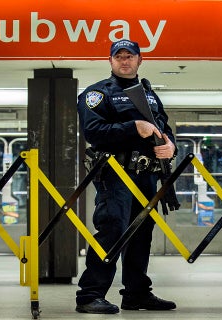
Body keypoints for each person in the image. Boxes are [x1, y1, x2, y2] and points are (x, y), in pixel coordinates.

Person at [75, 39, 177, 314]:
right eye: (118, 56)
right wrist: (133, 127)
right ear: (110, 61)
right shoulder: (97, 94)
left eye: (129, 56)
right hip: (115, 174)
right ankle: (90, 294)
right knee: (112, 230)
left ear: (139, 60)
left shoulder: (149, 94)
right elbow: (93, 132)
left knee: (142, 234)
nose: (124, 60)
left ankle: (136, 293)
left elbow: (163, 128)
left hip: (147, 174)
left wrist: (170, 146)